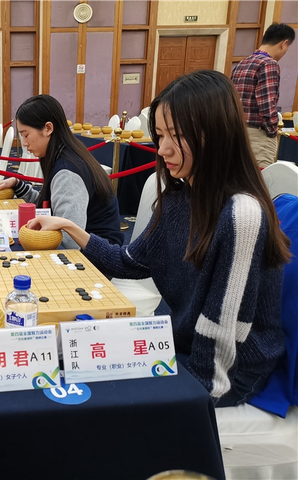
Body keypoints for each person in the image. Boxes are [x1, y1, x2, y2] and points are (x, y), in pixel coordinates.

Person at [27, 70, 291, 407]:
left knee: (104, 399)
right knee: (66, 356)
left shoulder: (242, 215)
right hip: (176, 344)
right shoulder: (179, 197)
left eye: (176, 136)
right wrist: (69, 226)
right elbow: (128, 262)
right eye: (160, 134)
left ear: (216, 134)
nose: (162, 148)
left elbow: (220, 337)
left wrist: (177, 402)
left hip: (228, 371)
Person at [0, 94, 124, 247]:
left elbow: (70, 242)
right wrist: (17, 184)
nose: (24, 143)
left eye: (26, 135)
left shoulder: (67, 173)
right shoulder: (65, 154)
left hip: (96, 256)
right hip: (92, 249)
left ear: (48, 128)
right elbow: (48, 209)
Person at [231, 23, 295, 168]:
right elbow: (266, 105)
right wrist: (272, 131)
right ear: (284, 43)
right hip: (257, 136)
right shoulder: (269, 64)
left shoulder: (242, 63)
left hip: (236, 131)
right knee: (262, 178)